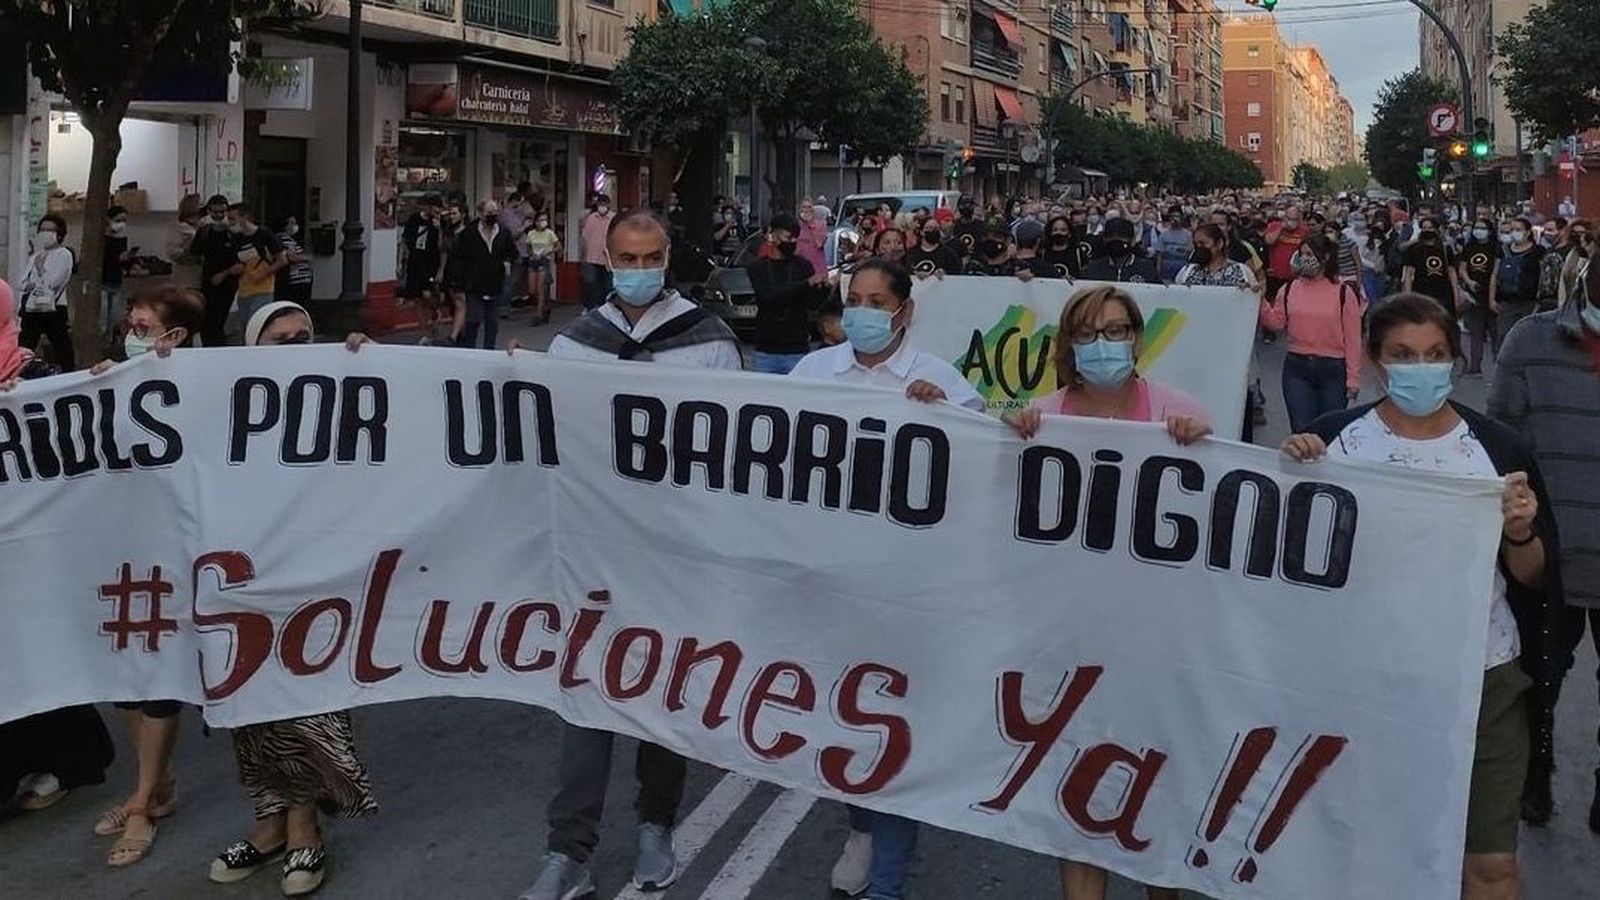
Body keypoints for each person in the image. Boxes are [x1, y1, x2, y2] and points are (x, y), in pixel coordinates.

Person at [1285, 293, 1562, 900]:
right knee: (1372, 858)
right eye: (1404, 355)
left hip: (1481, 684)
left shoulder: (1496, 449)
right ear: (1377, 361)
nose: (1423, 366)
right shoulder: (1334, 444)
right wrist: (1292, 472)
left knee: (1491, 869)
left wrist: (1519, 531)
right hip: (1364, 684)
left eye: (1436, 353)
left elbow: (1535, 577)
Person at [522, 211, 739, 900]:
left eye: (649, 256)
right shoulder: (575, 346)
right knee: (584, 696)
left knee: (660, 692)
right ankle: (570, 851)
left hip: (676, 547)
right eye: (625, 257)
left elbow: (738, 449)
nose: (638, 268)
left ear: (668, 256)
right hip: (594, 548)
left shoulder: (708, 343)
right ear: (607, 260)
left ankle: (656, 823)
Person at [793, 258, 984, 900]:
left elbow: (982, 471)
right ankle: (862, 827)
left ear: (904, 311)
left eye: (878, 300)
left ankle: (888, 883)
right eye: (855, 299)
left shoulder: (940, 381)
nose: (863, 312)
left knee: (893, 728)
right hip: (831, 580)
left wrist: (949, 420)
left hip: (909, 590)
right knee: (843, 722)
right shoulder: (813, 372)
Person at [202, 300, 377, 897]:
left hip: (315, 578)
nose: (299, 345)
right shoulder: (221, 404)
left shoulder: (334, 394)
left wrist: (371, 368)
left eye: (306, 335)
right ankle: (269, 823)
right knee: (248, 704)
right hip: (243, 577)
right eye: (283, 340)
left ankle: (305, 831)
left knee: (307, 699)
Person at [1489, 257, 1600, 833]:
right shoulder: (1530, 343)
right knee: (1539, 678)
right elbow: (1500, 441)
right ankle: (1535, 778)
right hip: (1545, 560)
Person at [1259, 234, 1363, 433]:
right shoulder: (1288, 289)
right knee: (1301, 432)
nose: (1303, 258)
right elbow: (1276, 322)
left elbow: (1353, 339)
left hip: (1333, 371)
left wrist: (1353, 379)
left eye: (1309, 253)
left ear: (1324, 257)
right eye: (1301, 253)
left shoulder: (1343, 293)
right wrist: (1261, 300)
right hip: (1297, 368)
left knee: (1328, 433)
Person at [749, 211, 825, 374]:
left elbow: (813, 303)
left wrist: (823, 287)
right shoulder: (757, 267)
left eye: (795, 238)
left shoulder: (803, 265)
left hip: (797, 347)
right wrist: (806, 284)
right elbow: (768, 296)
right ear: (774, 235)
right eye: (788, 237)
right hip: (766, 349)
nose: (792, 242)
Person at [453, 200, 519, 349]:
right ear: (481, 214)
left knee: (492, 323)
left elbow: (512, 252)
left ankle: (489, 352)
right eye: (489, 213)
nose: (493, 216)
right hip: (474, 284)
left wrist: (507, 261)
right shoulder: (469, 233)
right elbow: (460, 258)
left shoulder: (503, 232)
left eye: (495, 213)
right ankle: (470, 351)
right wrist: (460, 283)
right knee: (473, 321)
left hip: (495, 283)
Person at [16, 214, 76, 370]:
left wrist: (41, 270)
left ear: (59, 233)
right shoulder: (36, 255)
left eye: (50, 230)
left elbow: (54, 282)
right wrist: (32, 284)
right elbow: (22, 282)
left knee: (60, 343)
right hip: (32, 307)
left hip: (54, 307)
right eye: (42, 229)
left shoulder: (64, 254)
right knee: (25, 344)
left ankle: (68, 373)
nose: (45, 233)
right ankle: (17, 373)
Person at [219, 202, 285, 328]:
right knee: (245, 327)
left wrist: (264, 273)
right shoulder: (236, 239)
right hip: (244, 290)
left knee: (257, 324)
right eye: (228, 219)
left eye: (233, 219)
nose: (230, 223)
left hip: (263, 289)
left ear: (245, 217)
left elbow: (282, 260)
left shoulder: (265, 235)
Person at [192, 194, 239, 347]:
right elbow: (194, 253)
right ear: (209, 212)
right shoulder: (204, 231)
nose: (219, 216)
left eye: (222, 212)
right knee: (206, 321)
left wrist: (225, 274)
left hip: (228, 282)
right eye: (215, 212)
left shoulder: (233, 233)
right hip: (207, 279)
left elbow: (241, 260)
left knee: (219, 320)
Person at [1458, 218, 1501, 376]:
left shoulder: (1496, 247)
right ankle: (1475, 366)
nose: (1478, 230)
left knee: (1496, 332)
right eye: (1476, 227)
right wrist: (1469, 282)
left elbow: (1496, 271)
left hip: (1493, 294)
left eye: (1482, 227)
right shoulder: (1469, 246)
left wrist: (1492, 295)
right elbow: (1462, 268)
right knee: (1475, 332)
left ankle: (1499, 366)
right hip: (1474, 294)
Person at [1401, 215, 1461, 330]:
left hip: (1443, 294)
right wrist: (1408, 295)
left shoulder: (1445, 248)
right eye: (1424, 228)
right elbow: (1408, 273)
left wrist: (1456, 294)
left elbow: (1452, 272)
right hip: (1421, 292)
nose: (1427, 231)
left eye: (1430, 228)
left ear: (1436, 229)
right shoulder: (1414, 249)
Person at [1495, 218, 1545, 348]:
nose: (1514, 233)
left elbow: (1543, 276)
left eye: (1518, 230)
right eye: (1512, 230)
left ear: (1528, 232)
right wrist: (1492, 298)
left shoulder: (1538, 251)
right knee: (1504, 337)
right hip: (1506, 301)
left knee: (1527, 338)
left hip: (1529, 302)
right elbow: (1495, 275)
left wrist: (1539, 300)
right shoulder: (1503, 250)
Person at [399, 196, 445, 317]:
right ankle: (426, 330)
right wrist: (400, 262)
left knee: (427, 294)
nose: (437, 214)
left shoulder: (440, 223)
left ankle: (436, 310)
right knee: (416, 299)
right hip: (415, 262)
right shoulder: (414, 219)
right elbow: (404, 240)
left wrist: (439, 228)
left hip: (430, 264)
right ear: (428, 208)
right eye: (435, 211)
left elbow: (442, 247)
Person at [1175, 224, 1256, 288]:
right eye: (1196, 244)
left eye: (1203, 243)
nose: (1199, 248)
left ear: (1219, 243)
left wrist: (1248, 291)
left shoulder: (1241, 271)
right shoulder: (1187, 272)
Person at [1080, 218, 1159, 283]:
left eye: (1122, 236)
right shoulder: (1091, 270)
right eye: (1111, 237)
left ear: (1133, 240)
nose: (1116, 240)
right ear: (1104, 239)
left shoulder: (1147, 268)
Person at [101, 204, 137, 341]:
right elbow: (102, 260)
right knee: (102, 318)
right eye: (118, 220)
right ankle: (102, 342)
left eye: (124, 220)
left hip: (116, 280)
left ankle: (110, 342)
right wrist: (117, 258)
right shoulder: (101, 239)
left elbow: (123, 264)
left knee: (114, 317)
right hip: (102, 281)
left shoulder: (122, 239)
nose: (122, 224)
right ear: (109, 220)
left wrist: (127, 258)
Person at [1263, 205, 1309, 304]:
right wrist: (1281, 228)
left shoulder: (1304, 231)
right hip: (1275, 275)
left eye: (1294, 219)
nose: (1291, 222)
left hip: (1294, 275)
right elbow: (1268, 241)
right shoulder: (1274, 226)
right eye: (1289, 218)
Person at [524, 210, 561, 326]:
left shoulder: (550, 233)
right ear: (536, 222)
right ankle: (545, 306)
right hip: (533, 261)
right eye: (540, 220)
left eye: (545, 220)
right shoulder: (531, 233)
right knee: (532, 290)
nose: (543, 222)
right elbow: (528, 246)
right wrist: (531, 254)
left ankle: (538, 315)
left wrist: (549, 251)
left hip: (544, 261)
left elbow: (558, 246)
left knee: (540, 288)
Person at [579, 194, 616, 309]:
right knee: (590, 284)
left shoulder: (614, 218)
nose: (602, 207)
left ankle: (606, 308)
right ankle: (590, 307)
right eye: (600, 204)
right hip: (592, 257)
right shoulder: (591, 218)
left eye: (604, 205)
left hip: (608, 259)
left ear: (608, 205)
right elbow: (585, 238)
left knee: (608, 286)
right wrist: (583, 256)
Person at [963, 224, 1033, 280]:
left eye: (996, 236)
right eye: (985, 236)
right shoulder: (973, 267)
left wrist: (1027, 281)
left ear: (1008, 240)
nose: (990, 240)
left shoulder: (1018, 267)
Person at [275, 216, 315, 307]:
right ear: (285, 225)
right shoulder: (284, 238)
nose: (295, 226)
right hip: (297, 279)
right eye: (292, 223)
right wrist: (306, 258)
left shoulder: (290, 239)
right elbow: (291, 257)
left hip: (301, 279)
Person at [1154, 207, 1193, 282]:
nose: (1175, 219)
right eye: (1173, 216)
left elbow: (1190, 251)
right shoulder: (1164, 235)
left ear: (1182, 218)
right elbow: (1159, 255)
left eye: (1178, 216)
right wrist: (1158, 269)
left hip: (1182, 266)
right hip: (1167, 267)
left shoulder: (1188, 234)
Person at [798, 197, 830, 274]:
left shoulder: (821, 225)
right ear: (800, 210)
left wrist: (809, 224)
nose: (807, 210)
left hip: (817, 268)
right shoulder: (797, 227)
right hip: (801, 268)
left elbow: (819, 244)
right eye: (804, 207)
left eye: (809, 207)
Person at [950, 197, 985, 262]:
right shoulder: (954, 225)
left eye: (970, 204)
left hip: (977, 261)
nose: (967, 207)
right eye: (964, 204)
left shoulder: (981, 225)